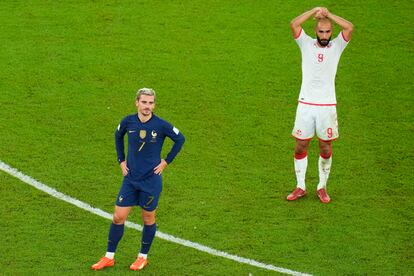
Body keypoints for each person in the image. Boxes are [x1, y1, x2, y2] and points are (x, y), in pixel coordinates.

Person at [91, 88, 185, 270]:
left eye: (150, 103)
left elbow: (180, 139)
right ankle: (109, 256)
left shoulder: (161, 125)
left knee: (148, 218)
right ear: (137, 102)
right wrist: (121, 160)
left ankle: (142, 257)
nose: (147, 106)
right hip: (130, 179)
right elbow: (117, 136)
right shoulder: (128, 121)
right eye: (144, 102)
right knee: (118, 217)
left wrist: (166, 162)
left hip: (151, 180)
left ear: (154, 105)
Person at [286, 7, 353, 203]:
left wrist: (328, 15)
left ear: (331, 32)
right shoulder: (306, 44)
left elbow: (349, 27)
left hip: (327, 107)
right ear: (315, 31)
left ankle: (322, 187)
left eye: (328, 31)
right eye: (321, 31)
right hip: (305, 104)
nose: (324, 35)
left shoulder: (337, 46)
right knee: (301, 145)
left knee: (325, 147)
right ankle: (300, 186)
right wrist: (314, 10)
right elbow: (294, 24)